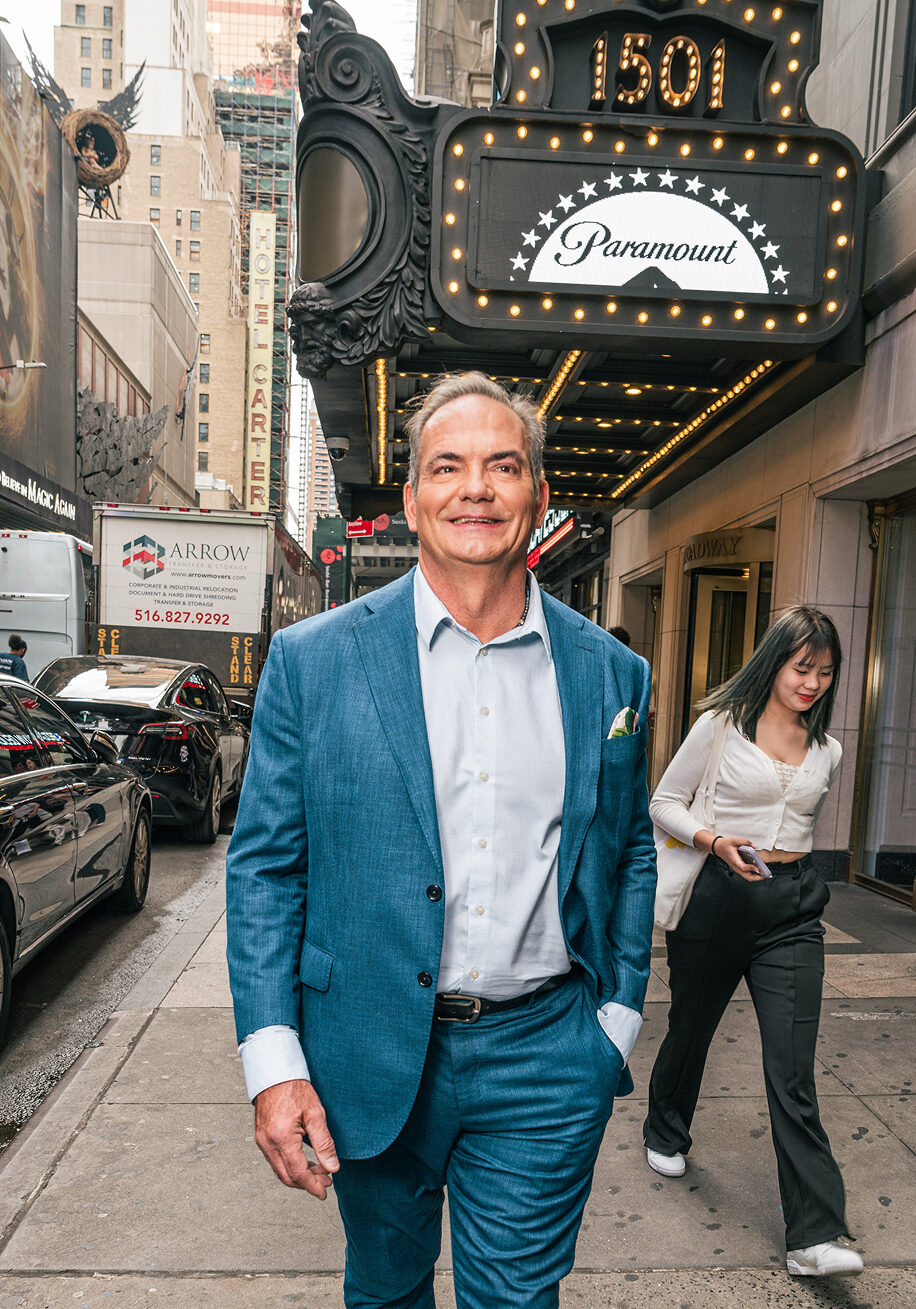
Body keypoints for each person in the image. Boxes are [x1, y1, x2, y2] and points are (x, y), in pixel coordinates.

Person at [226, 371, 657, 1308]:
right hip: (369, 1051)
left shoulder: (613, 674)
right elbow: (265, 867)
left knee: (516, 1299)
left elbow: (628, 848)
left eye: (504, 466)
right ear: (412, 498)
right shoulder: (314, 661)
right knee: (384, 1291)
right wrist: (274, 1063)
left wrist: (615, 1021)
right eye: (447, 466)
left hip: (547, 1053)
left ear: (539, 496)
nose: (477, 487)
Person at [644, 606, 864, 1279]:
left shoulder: (827, 747)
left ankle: (816, 1233)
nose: (813, 682)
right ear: (775, 661)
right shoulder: (721, 726)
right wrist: (713, 838)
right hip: (717, 896)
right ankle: (665, 1126)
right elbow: (663, 802)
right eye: (803, 668)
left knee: (792, 1068)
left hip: (793, 906)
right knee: (692, 1028)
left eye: (825, 673)